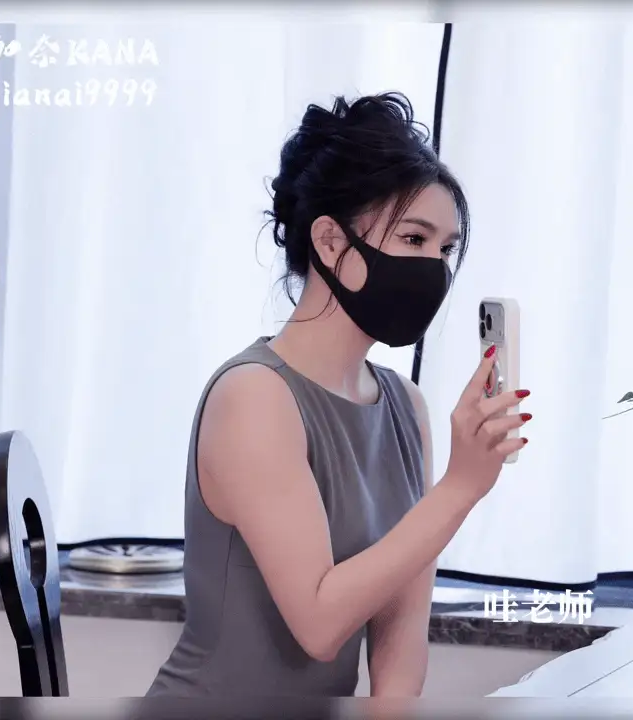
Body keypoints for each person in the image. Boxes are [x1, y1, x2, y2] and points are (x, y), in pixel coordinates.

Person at [147, 93, 530, 697]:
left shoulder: (406, 406)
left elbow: (400, 634)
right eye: (414, 238)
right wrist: (460, 487)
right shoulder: (254, 397)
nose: (433, 267)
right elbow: (320, 625)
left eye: (445, 248)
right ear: (329, 242)